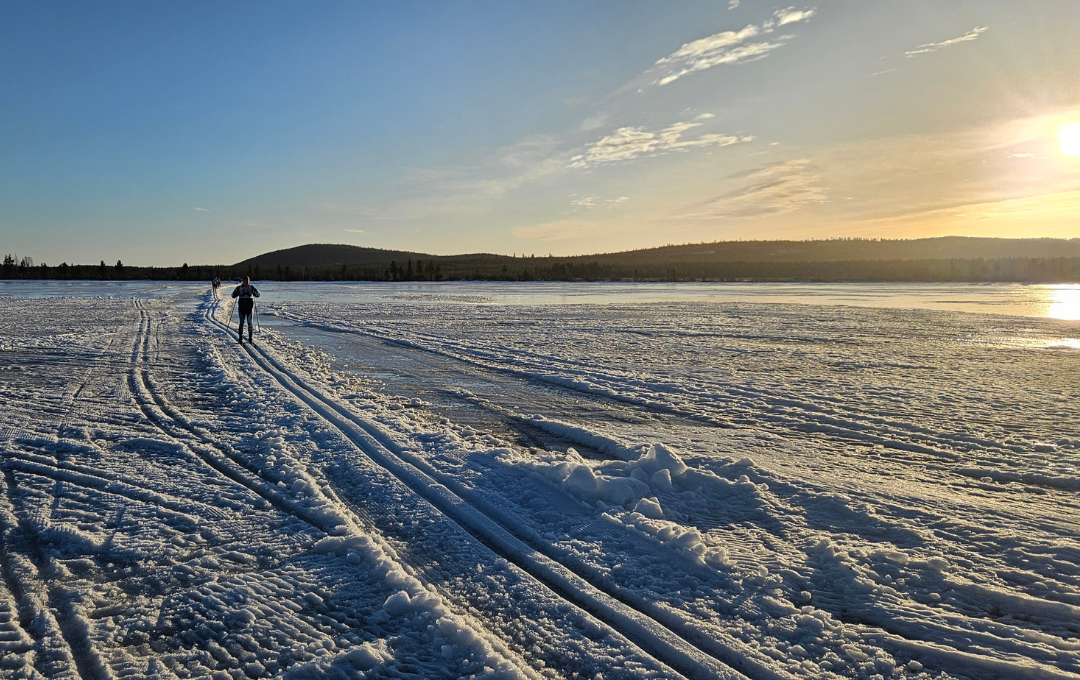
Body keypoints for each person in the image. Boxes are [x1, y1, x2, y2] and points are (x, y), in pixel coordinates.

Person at [231, 276, 260, 344]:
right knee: (241, 323)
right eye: (244, 282)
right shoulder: (238, 288)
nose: (245, 283)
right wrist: (237, 293)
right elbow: (232, 295)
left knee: (250, 323)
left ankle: (250, 338)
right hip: (241, 308)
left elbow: (258, 294)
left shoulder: (251, 287)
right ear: (242, 281)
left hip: (249, 308)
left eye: (246, 282)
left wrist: (254, 293)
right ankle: (240, 338)